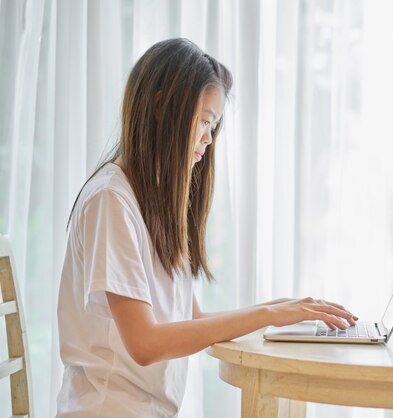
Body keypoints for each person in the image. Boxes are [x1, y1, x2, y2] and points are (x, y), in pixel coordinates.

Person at [56, 38, 357, 417]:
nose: (208, 139)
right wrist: (267, 317)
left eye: (213, 124)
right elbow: (145, 343)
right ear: (162, 107)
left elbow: (189, 320)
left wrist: (280, 308)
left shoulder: (149, 201)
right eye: (204, 121)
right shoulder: (111, 201)